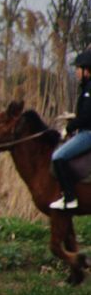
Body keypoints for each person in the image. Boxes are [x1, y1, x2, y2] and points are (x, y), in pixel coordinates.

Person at [50, 48, 91, 210]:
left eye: (78, 69)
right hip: (85, 130)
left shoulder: (90, 90)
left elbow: (88, 117)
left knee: (58, 156)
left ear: (86, 70)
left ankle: (69, 197)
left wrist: (69, 128)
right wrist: (74, 117)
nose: (76, 72)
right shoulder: (87, 88)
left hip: (88, 133)